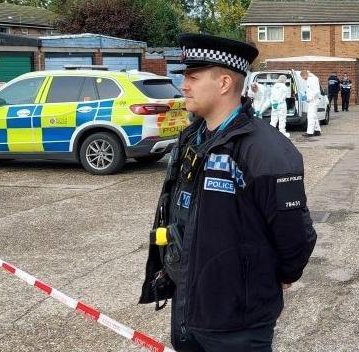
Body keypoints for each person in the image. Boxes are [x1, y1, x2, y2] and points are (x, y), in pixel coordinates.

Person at [139, 33, 317, 352]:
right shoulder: (190, 140)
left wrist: (280, 275)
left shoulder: (267, 151)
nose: (184, 86)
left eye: (193, 77)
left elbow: (295, 235)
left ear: (223, 83)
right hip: (188, 309)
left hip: (238, 324)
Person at [301, 70, 322, 137]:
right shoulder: (313, 79)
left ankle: (310, 132)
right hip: (314, 100)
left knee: (310, 116)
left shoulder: (311, 80)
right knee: (314, 116)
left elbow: (315, 91)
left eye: (302, 77)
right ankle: (317, 130)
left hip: (313, 100)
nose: (303, 79)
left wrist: (308, 98)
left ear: (305, 75)